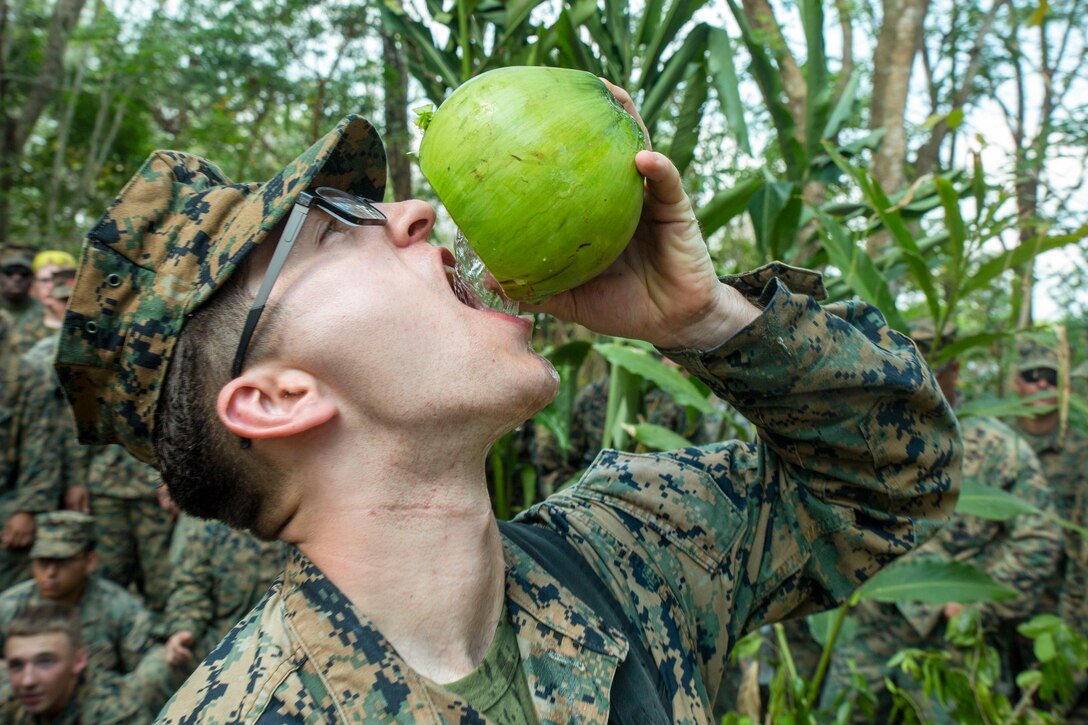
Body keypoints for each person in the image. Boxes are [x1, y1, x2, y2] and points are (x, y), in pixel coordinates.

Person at [54, 88, 961, 722]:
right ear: (280, 397)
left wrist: (705, 316)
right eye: (334, 228)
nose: (410, 214)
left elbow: (890, 485)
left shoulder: (634, 548)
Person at [823, 322, 1060, 722]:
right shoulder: (868, 434)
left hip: (952, 638)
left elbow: (1040, 537)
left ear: (955, 370)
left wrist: (974, 599)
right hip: (875, 620)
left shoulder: (996, 446)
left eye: (936, 363)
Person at [1011, 337, 1088, 718]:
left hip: (1061, 615)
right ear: (1016, 383)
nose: (1042, 385)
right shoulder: (997, 447)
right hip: (1003, 614)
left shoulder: (1080, 451)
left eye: (1051, 378)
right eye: (1032, 376)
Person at [0, 512, 155, 681]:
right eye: (43, 561)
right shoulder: (9, 606)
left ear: (89, 562)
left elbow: (144, 676)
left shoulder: (121, 609)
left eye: (62, 561)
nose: (50, 573)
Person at [162, 516, 290, 671]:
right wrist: (183, 629)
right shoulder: (211, 518)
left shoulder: (292, 515)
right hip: (218, 641)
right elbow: (191, 583)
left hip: (282, 644)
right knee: (153, 676)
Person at [1, 600, 151, 723]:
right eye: (17, 666)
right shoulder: (9, 702)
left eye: (45, 663)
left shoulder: (115, 710)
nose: (28, 681)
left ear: (78, 661)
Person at [29, 253, 76, 331]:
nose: (50, 287)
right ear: (34, 285)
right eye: (44, 280)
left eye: (59, 281)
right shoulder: (27, 326)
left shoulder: (87, 324)